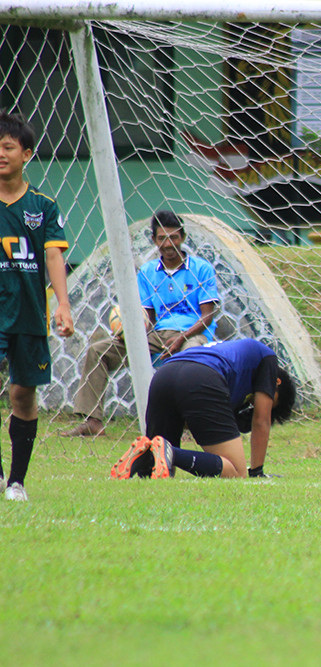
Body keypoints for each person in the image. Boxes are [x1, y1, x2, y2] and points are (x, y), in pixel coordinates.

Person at [61, 210, 219, 437]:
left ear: (183, 237)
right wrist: (128, 333)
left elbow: (207, 317)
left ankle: (187, 425)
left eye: (173, 237)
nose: (168, 244)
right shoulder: (147, 272)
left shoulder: (201, 269)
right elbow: (147, 317)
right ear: (154, 240)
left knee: (189, 357)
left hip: (193, 334)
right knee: (99, 351)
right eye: (162, 238)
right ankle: (92, 421)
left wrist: (180, 339)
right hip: (159, 334)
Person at [0, 111, 74, 502]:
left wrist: (63, 305)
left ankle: (17, 482)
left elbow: (53, 256)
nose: (1, 154)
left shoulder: (42, 206)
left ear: (26, 153)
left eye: (8, 147)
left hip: (29, 312)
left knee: (22, 396)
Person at [109, 339, 296, 480]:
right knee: (236, 472)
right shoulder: (268, 358)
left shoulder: (235, 364)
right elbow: (261, 421)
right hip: (201, 377)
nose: (257, 404)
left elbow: (194, 421)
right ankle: (171, 451)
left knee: (159, 470)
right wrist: (256, 472)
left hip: (164, 375)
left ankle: (145, 454)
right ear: (276, 382)